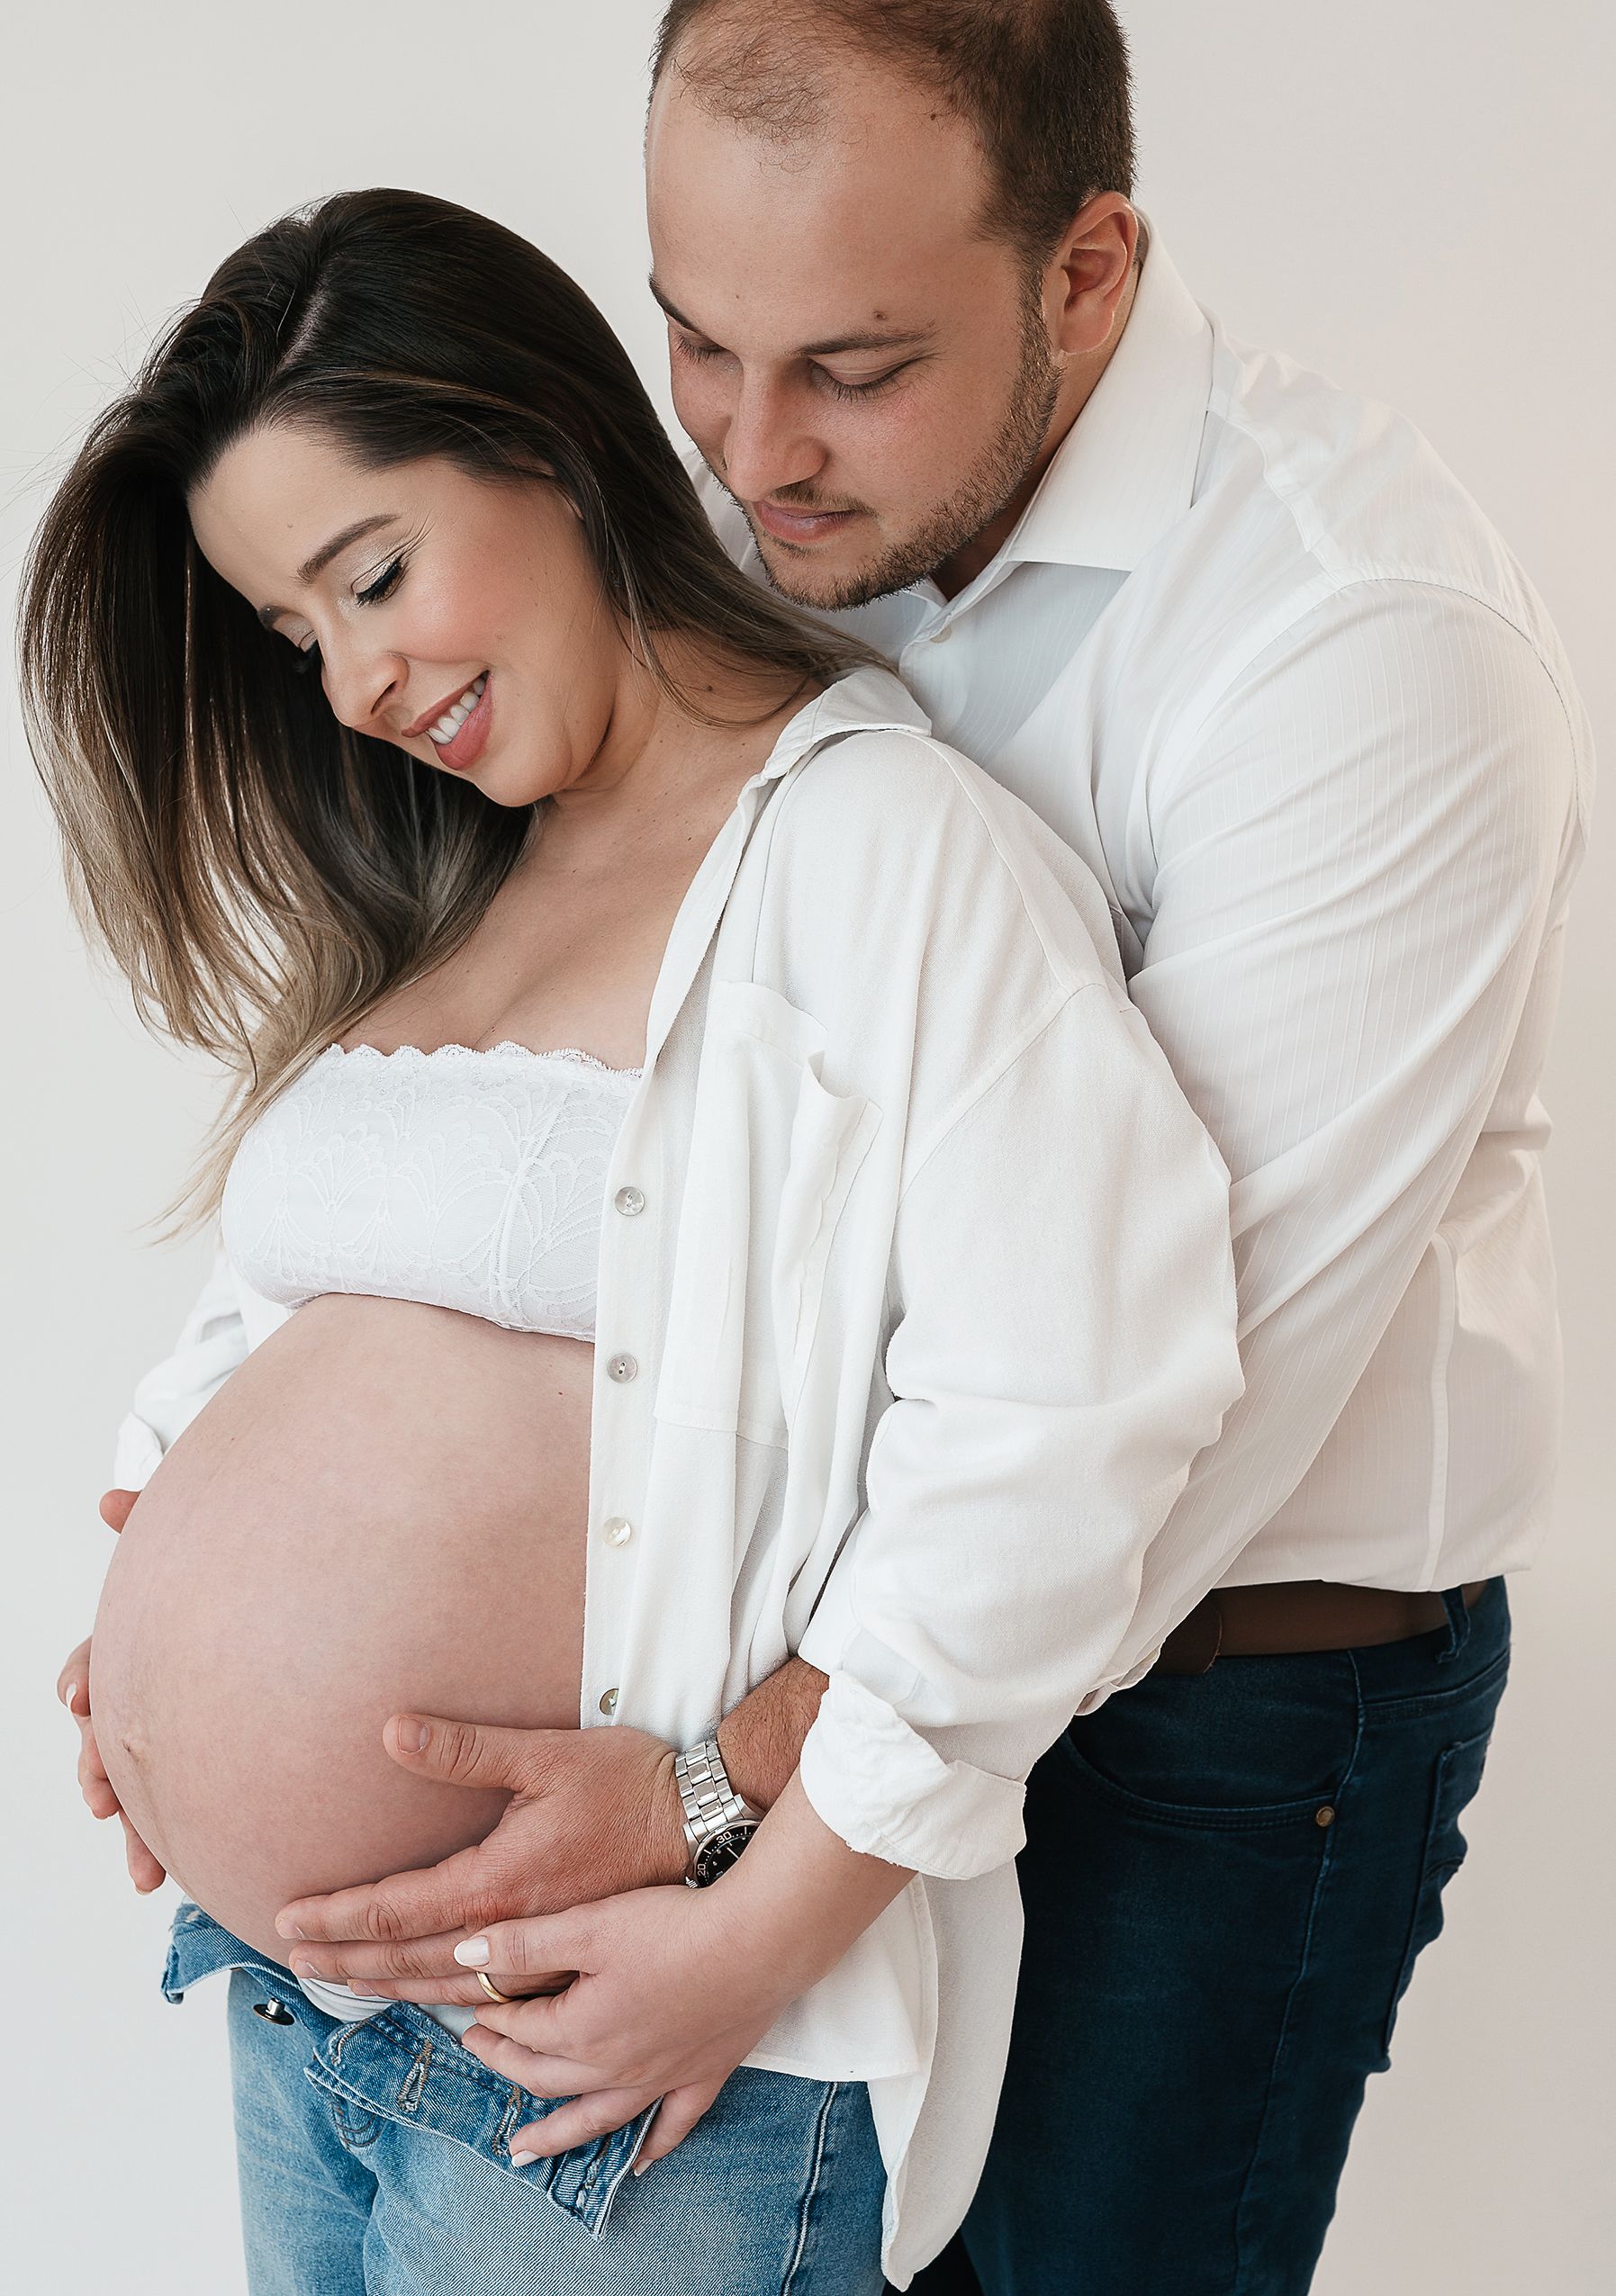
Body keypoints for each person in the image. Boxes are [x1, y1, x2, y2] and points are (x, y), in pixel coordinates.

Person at [30, 186, 1242, 2291]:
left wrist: (757, 1925)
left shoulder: (884, 857)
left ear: (551, 441)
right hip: (297, 2001)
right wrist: (160, 1648)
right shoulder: (460, 889)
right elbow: (281, 1316)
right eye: (301, 636)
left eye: (374, 573)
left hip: (628, 2052)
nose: (358, 682)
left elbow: (1068, 1431)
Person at [637, 4, 1595, 2291]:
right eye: (694, 339)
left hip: (1227, 1705)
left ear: (1085, 274)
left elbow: (1175, 1392)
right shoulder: (774, 494)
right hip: (834, 1647)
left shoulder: (1360, 648)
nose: (752, 454)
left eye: (853, 367)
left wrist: (736, 1783)